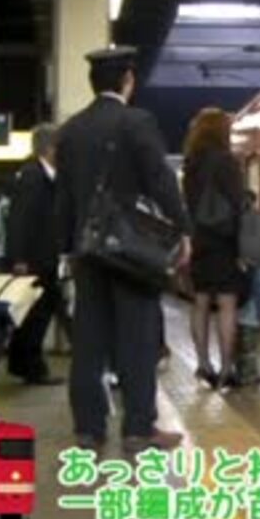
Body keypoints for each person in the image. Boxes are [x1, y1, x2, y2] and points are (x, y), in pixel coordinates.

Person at [56, 46, 191, 453]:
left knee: (89, 339)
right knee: (137, 337)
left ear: (93, 83)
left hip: (87, 249)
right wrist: (183, 230)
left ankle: (88, 430)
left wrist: (68, 248)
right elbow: (161, 181)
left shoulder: (71, 129)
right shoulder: (137, 122)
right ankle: (137, 429)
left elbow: (63, 197)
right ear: (128, 80)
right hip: (132, 250)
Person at [182, 108, 246, 390]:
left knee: (201, 302)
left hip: (199, 240)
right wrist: (242, 246)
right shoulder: (226, 161)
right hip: (224, 240)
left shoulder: (190, 165)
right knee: (226, 304)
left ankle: (203, 364)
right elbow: (237, 203)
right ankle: (227, 369)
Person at [5, 124, 64, 385]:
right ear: (50, 148)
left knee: (36, 311)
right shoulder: (33, 177)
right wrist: (19, 258)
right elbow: (20, 218)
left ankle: (23, 364)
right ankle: (31, 367)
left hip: (42, 257)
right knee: (37, 312)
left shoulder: (43, 176)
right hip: (33, 259)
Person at [235, 188, 260, 385]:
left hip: (233, 296)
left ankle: (238, 371)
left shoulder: (231, 226)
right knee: (250, 338)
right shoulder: (257, 227)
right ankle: (248, 374)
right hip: (252, 295)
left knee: (238, 334)